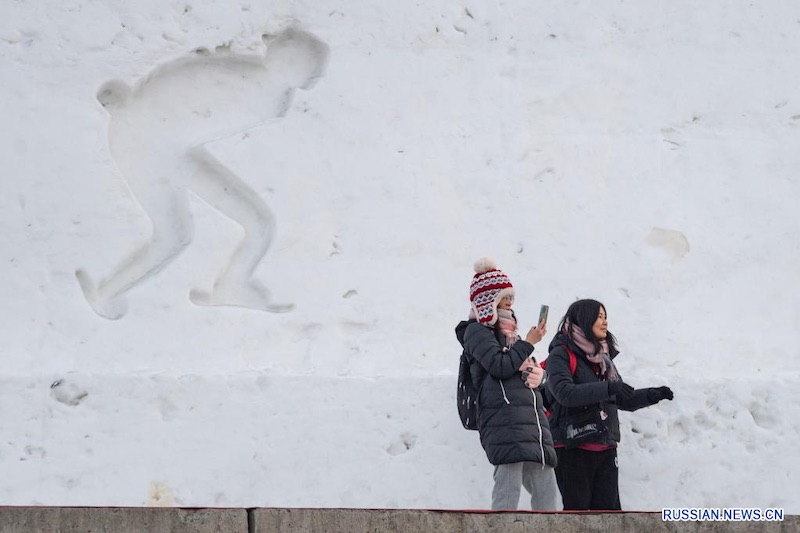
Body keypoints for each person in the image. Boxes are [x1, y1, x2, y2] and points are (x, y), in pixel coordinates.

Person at [76, 27, 330, 319]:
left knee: (258, 224)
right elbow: (195, 96)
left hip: (158, 138)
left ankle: (233, 286)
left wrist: (129, 103)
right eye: (315, 71)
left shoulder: (246, 74)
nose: (318, 76)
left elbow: (187, 82)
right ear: (301, 75)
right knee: (173, 237)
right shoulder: (267, 104)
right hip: (143, 148)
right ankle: (105, 294)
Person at [544, 298, 674, 510]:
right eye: (599, 317)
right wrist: (608, 388)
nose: (605, 322)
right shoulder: (561, 354)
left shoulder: (603, 359)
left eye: (606, 317)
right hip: (573, 448)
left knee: (609, 516)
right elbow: (564, 393)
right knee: (578, 516)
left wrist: (651, 395)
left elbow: (620, 397)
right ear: (584, 319)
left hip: (604, 446)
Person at [455, 258, 558, 510]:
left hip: (530, 418)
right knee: (508, 484)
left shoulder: (512, 333)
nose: (510, 301)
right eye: (503, 296)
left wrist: (537, 375)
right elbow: (499, 366)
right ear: (488, 300)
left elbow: (514, 368)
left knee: (546, 485)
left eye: (511, 296)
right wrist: (529, 343)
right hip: (503, 417)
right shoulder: (476, 332)